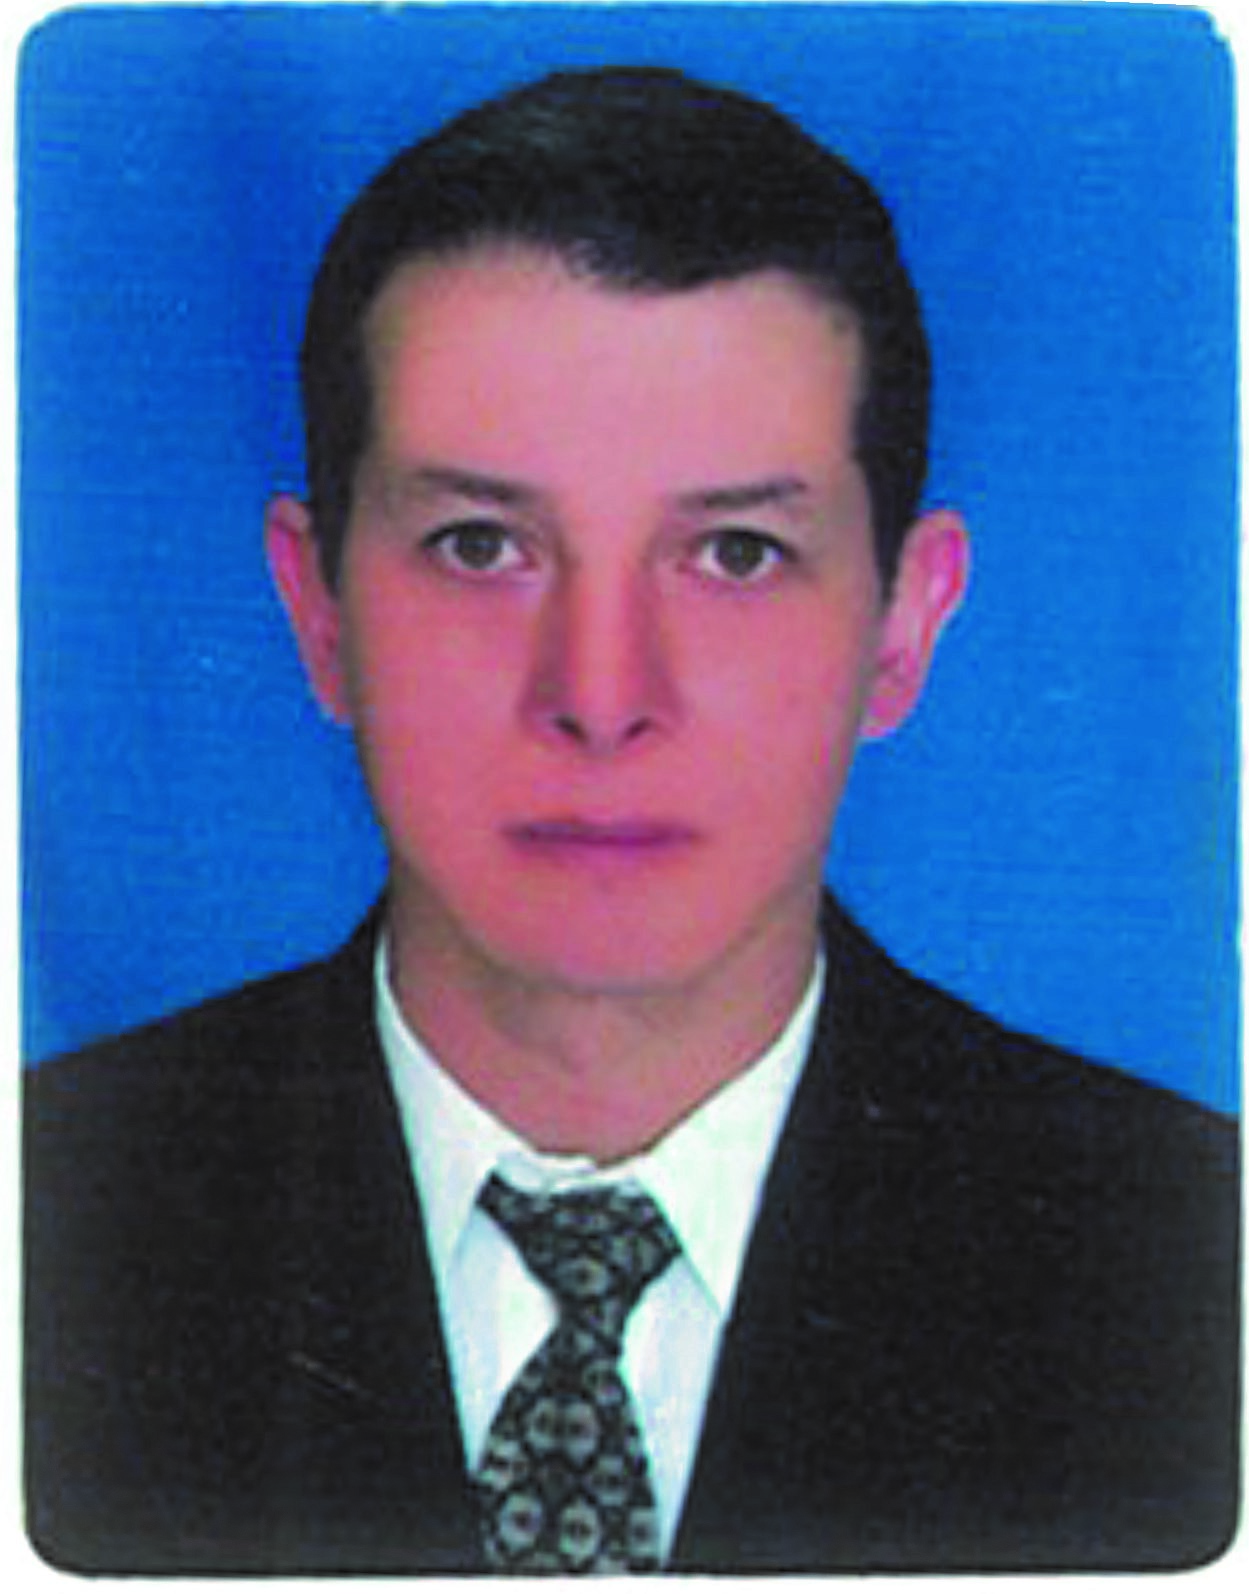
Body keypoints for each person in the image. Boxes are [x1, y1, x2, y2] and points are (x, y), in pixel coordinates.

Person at [23, 64, 1239, 1576]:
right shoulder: (50, 1212)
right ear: (317, 604)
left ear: (903, 626)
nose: (601, 697)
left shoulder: (1189, 1260)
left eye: (736, 554)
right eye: (482, 545)